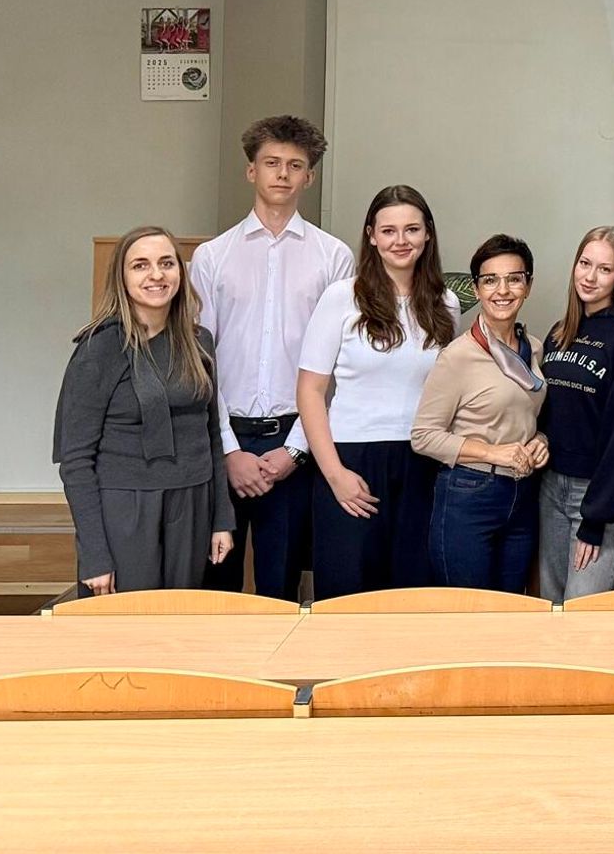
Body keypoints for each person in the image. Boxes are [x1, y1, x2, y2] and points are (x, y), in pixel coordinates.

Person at [190, 115, 353, 599]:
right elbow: (200, 361)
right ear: (251, 171)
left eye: (295, 165)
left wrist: (295, 450)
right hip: (223, 436)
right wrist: (228, 451)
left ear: (309, 177)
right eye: (271, 163)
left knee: (280, 587)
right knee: (215, 585)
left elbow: (336, 367)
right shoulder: (212, 256)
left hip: (294, 437)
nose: (282, 174)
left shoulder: (334, 257)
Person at [295, 186, 459, 601]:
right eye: (388, 231)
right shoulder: (342, 298)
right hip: (351, 460)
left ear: (428, 234)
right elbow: (310, 391)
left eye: (411, 229)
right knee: (348, 594)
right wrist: (335, 475)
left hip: (423, 461)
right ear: (371, 236)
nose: (400, 241)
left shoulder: (446, 303)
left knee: (414, 595)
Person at [53, 227, 235, 596]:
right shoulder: (100, 349)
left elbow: (211, 434)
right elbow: (76, 461)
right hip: (126, 507)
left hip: (192, 501)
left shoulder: (199, 342)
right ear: (121, 277)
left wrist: (222, 518)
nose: (156, 274)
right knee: (126, 623)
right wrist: (94, 554)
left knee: (180, 617)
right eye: (140, 265)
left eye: (167, 263)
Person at [412, 234, 549, 592]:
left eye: (514, 279)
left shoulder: (533, 348)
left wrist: (540, 440)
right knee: (471, 613)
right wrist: (493, 452)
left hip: (522, 495)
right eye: (490, 280)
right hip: (470, 495)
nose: (502, 290)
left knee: (512, 609)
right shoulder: (458, 356)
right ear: (476, 288)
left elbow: (525, 415)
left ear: (528, 286)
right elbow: (423, 436)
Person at [537, 225, 614, 603]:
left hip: (597, 495)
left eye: (605, 269)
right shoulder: (559, 333)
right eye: (585, 264)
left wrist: (596, 517)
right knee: (552, 607)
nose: (590, 277)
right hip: (551, 487)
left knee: (581, 614)